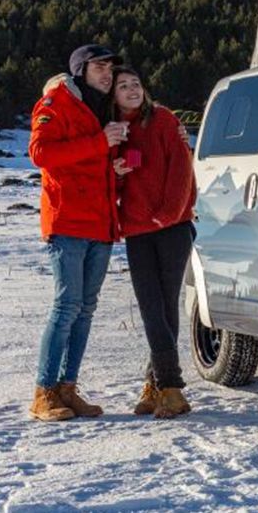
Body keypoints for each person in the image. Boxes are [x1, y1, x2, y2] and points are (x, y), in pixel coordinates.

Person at [28, 44, 129, 422]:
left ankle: (68, 390)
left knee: (85, 310)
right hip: (68, 222)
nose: (107, 73)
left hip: (100, 225)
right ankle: (44, 392)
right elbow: (40, 153)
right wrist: (99, 143)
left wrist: (113, 169)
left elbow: (90, 165)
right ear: (81, 69)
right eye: (100, 66)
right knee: (66, 307)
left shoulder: (103, 109)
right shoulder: (57, 102)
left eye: (110, 68)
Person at [110, 65, 197, 419]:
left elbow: (182, 171)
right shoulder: (115, 132)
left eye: (136, 84)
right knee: (152, 308)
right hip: (137, 231)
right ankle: (158, 383)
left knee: (163, 306)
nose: (132, 90)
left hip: (172, 227)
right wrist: (114, 174)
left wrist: (167, 214)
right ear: (112, 95)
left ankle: (171, 388)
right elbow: (111, 186)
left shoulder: (162, 119)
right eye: (123, 86)